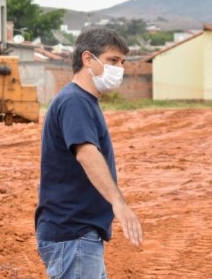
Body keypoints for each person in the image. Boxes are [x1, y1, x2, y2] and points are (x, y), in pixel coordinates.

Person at [35, 27, 143, 278]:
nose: (119, 69)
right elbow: (86, 153)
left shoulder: (82, 100)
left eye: (122, 62)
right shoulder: (75, 101)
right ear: (87, 59)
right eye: (112, 60)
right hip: (73, 234)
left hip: (77, 235)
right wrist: (119, 203)